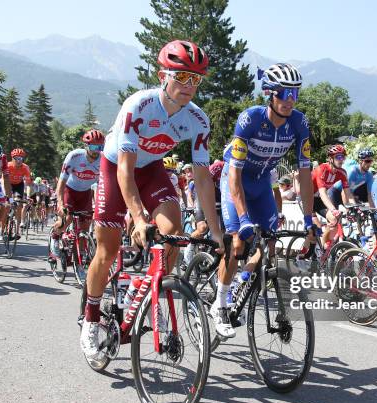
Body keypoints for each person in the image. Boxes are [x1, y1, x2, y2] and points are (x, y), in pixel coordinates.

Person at [82, 40, 223, 360]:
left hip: (152, 171)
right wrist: (139, 218)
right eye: (182, 77)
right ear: (164, 75)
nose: (189, 86)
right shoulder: (139, 106)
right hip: (116, 169)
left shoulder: (198, 119)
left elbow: (202, 178)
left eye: (196, 79)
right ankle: (91, 320)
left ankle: (142, 291)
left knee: (172, 233)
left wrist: (215, 232)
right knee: (108, 250)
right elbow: (124, 171)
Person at [217, 62, 316, 338]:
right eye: (284, 93)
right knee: (238, 241)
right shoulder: (250, 119)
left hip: (261, 182)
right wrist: (244, 218)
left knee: (270, 242)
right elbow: (234, 175)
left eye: (295, 94)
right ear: (269, 94)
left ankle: (242, 282)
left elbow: (305, 175)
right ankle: (220, 302)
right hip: (236, 179)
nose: (290, 100)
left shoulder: (299, 123)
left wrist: (308, 220)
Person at [50, 129, 104, 259]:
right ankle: (55, 236)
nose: (96, 150)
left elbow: (101, 185)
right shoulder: (74, 156)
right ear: (87, 146)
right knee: (66, 219)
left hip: (85, 193)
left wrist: (99, 205)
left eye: (100, 147)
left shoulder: (103, 160)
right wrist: (60, 203)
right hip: (69, 190)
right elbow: (62, 182)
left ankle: (78, 258)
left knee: (85, 227)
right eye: (93, 146)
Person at [311, 144, 355, 248]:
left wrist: (354, 207)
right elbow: (323, 193)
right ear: (331, 159)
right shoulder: (322, 169)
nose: (341, 160)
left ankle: (323, 249)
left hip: (318, 200)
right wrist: (333, 209)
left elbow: (348, 193)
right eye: (338, 157)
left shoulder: (342, 172)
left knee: (334, 220)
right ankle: (305, 251)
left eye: (343, 157)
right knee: (312, 231)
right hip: (307, 198)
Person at [8, 148, 32, 237]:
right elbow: (3, 180)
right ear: (12, 159)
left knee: (18, 205)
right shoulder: (8, 166)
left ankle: (17, 231)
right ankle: (2, 228)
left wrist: (28, 196)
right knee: (7, 204)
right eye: (17, 158)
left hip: (19, 185)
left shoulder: (25, 167)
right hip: (8, 184)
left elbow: (28, 184)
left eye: (21, 159)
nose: (19, 161)